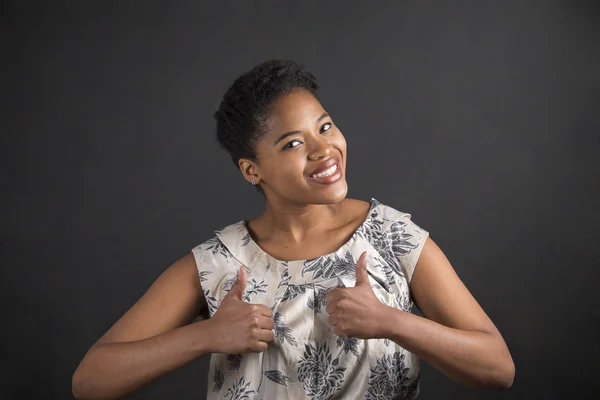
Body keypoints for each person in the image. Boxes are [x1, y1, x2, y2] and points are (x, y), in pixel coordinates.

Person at [72, 60, 515, 400]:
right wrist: (205, 335)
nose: (325, 150)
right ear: (252, 170)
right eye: (294, 143)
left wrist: (392, 322)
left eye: (324, 126)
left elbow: (498, 368)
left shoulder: (391, 237)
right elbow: (90, 380)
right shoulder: (220, 262)